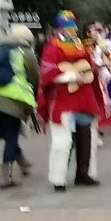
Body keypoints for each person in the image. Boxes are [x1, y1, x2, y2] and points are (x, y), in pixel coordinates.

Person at [37, 11, 103, 191]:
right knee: (62, 141)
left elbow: (89, 66)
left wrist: (93, 71)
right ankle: (58, 179)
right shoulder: (52, 48)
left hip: (84, 98)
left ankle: (84, 173)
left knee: (87, 138)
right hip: (63, 100)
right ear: (58, 29)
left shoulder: (80, 46)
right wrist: (70, 76)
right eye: (67, 28)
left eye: (73, 28)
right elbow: (47, 73)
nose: (71, 32)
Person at [0, 25, 40, 189]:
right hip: (13, 98)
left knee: (8, 134)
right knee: (12, 135)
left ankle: (23, 162)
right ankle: (6, 176)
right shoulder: (25, 52)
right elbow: (34, 76)